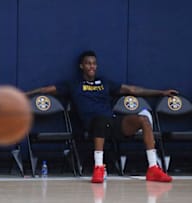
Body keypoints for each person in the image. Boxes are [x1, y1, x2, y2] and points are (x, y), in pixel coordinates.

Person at [26, 50, 177, 183]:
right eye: (88, 63)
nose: (92, 66)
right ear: (81, 66)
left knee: (143, 120)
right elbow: (45, 89)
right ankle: (98, 167)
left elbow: (132, 89)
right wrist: (23, 95)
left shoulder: (104, 82)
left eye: (94, 63)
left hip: (110, 122)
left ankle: (153, 169)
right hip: (92, 125)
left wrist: (161, 92)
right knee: (101, 120)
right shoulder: (73, 84)